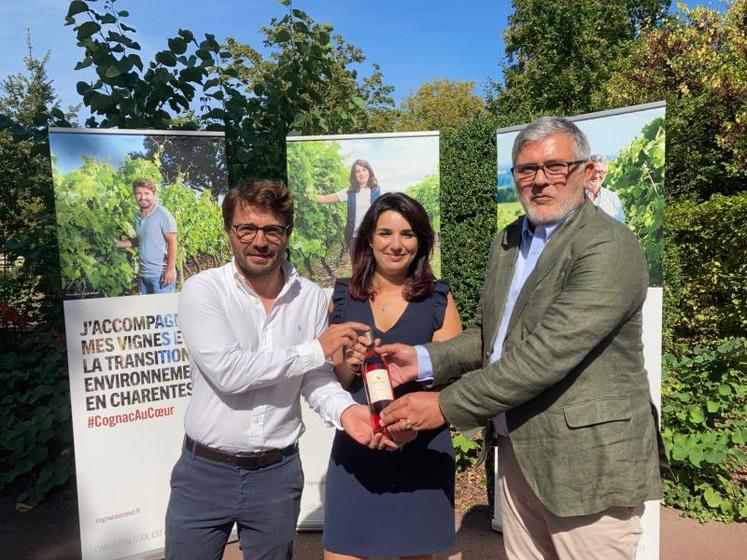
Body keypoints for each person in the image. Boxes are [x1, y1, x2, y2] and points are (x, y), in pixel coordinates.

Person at [378, 118, 665, 560]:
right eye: (526, 170)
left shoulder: (609, 245)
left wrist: (442, 405)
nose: (539, 181)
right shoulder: (508, 242)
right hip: (518, 454)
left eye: (555, 166)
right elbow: (492, 338)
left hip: (589, 463)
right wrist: (422, 359)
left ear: (586, 171)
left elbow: (545, 355)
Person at [165, 179, 394, 560]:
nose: (259, 241)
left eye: (272, 230)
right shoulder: (204, 291)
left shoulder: (309, 296)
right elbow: (229, 371)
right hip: (204, 472)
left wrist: (348, 412)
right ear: (229, 232)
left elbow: (314, 377)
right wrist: (316, 348)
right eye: (247, 229)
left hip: (277, 474)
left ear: (286, 234)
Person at [323, 192, 463, 560]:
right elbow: (338, 378)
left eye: (408, 234)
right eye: (385, 233)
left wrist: (409, 428)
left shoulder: (438, 298)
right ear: (369, 238)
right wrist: (350, 364)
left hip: (421, 450)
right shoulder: (342, 296)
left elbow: (450, 375)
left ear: (421, 242)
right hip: (358, 446)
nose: (396, 245)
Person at [115, 178, 178, 294]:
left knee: (162, 311)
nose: (142, 197)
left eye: (146, 193)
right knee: (149, 311)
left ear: (153, 195)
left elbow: (172, 241)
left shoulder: (163, 214)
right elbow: (142, 240)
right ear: (134, 195)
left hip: (161, 275)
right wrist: (120, 243)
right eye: (138, 193)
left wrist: (169, 270)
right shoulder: (137, 217)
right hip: (144, 274)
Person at [315, 159, 382, 257]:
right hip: (354, 238)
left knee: (372, 268)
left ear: (369, 172)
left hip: (372, 238)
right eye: (357, 171)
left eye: (364, 170)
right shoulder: (350, 192)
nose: (361, 173)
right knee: (357, 268)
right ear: (354, 175)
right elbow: (326, 198)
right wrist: (310, 196)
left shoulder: (376, 191)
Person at [585, 154, 625, 222]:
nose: (596, 175)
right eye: (594, 171)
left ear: (606, 174)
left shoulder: (613, 199)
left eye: (601, 172)